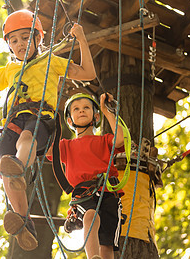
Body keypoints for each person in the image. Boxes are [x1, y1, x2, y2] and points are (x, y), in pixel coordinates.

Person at [0, 9, 96, 251]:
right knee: (4, 161)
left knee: (26, 138)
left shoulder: (50, 61)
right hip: (12, 121)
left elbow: (88, 73)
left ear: (38, 39)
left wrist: (81, 39)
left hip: (41, 119)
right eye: (14, 41)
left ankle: (19, 166)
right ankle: (23, 222)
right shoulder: (10, 70)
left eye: (25, 38)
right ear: (9, 47)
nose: (20, 44)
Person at [59, 92, 125, 259]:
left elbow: (120, 140)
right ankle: (92, 257)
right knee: (90, 215)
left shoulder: (103, 141)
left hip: (109, 191)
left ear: (95, 116)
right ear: (69, 120)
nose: (81, 111)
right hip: (84, 192)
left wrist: (106, 111)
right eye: (76, 109)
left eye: (86, 107)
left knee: (107, 244)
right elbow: (45, 149)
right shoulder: (66, 146)